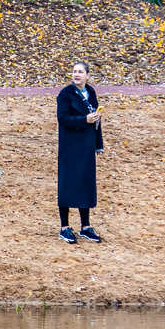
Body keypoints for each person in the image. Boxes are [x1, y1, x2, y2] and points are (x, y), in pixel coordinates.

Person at [56, 61, 104, 244]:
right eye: (74, 71)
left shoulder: (91, 92)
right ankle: (65, 228)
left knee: (85, 184)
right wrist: (84, 120)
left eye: (80, 72)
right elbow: (63, 118)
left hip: (86, 146)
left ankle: (85, 227)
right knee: (67, 185)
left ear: (87, 75)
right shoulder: (66, 94)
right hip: (70, 146)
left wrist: (98, 144)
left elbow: (97, 119)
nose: (76, 74)